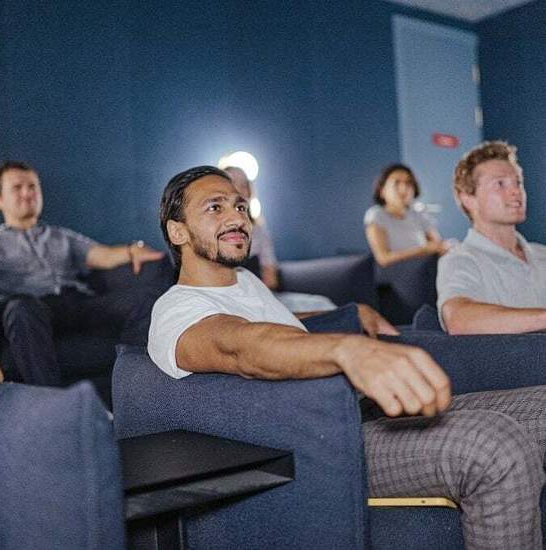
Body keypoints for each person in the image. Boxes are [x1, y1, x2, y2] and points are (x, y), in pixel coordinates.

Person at [148, 165, 546, 549]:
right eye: (215, 207)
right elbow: (239, 345)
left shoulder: (244, 282)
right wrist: (348, 349)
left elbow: (271, 322)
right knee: (494, 447)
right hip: (324, 445)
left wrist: (350, 313)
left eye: (239, 206)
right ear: (177, 231)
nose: (237, 217)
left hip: (360, 411)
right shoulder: (176, 310)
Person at [0, 161, 164, 384]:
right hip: (34, 309)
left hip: (76, 302)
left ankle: (136, 382)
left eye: (32, 186)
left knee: (145, 301)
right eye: (17, 187)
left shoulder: (61, 236)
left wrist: (132, 250)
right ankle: (50, 398)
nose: (27, 193)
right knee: (20, 308)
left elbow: (102, 255)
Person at [437, 140, 546, 334]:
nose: (516, 191)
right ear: (468, 199)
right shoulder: (461, 260)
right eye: (500, 184)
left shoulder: (542, 253)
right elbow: (458, 319)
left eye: (518, 182)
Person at [223, 165, 336, 313]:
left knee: (322, 305)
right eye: (232, 184)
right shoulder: (213, 233)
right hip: (232, 301)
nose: (237, 190)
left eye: (243, 185)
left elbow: (271, 279)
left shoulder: (259, 231)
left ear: (249, 192)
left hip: (262, 297)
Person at [365, 163, 449, 267]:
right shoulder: (376, 215)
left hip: (426, 268)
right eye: (396, 183)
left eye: (409, 183)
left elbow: (438, 245)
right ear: (382, 191)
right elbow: (383, 259)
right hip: (398, 272)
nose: (403, 188)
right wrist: (422, 251)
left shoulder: (419, 215)